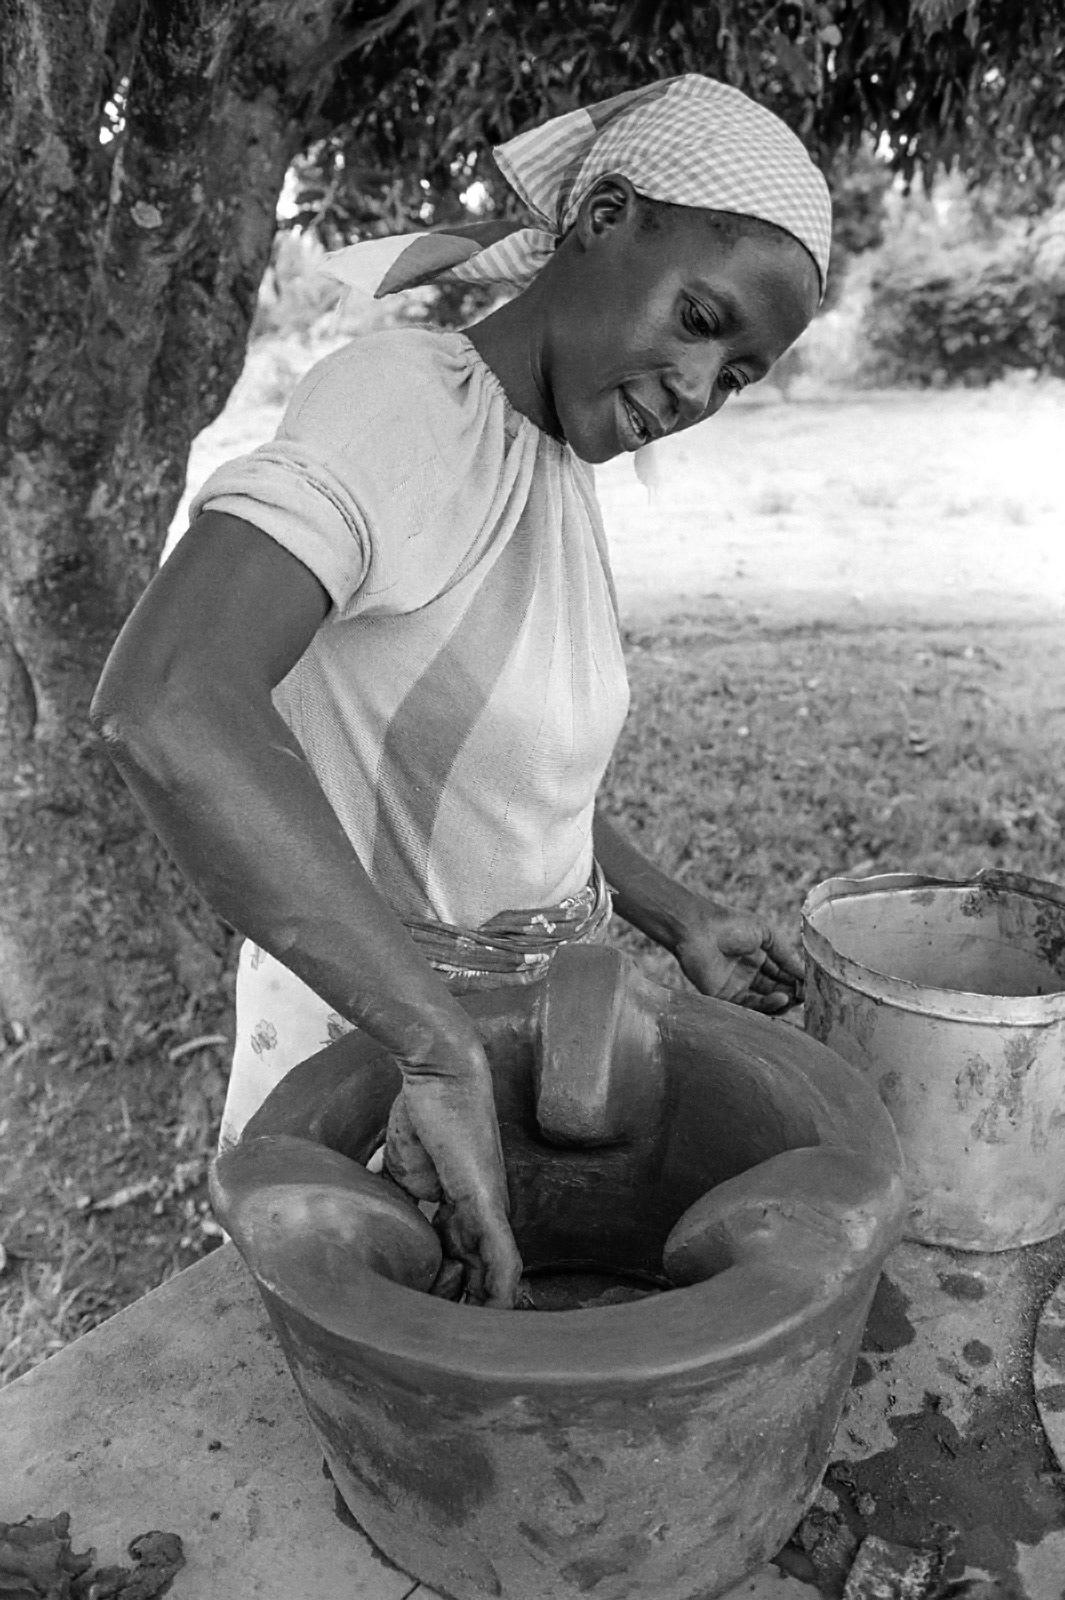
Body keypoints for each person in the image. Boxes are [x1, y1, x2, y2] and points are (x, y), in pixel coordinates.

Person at [91, 73, 830, 1310]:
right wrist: (432, 1050)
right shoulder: (407, 410)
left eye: (740, 374)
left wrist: (673, 912)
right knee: (390, 1395)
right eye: (701, 319)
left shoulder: (546, 459)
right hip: (381, 1051)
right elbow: (169, 700)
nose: (701, 390)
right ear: (601, 217)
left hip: (516, 1046)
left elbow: (493, 768)